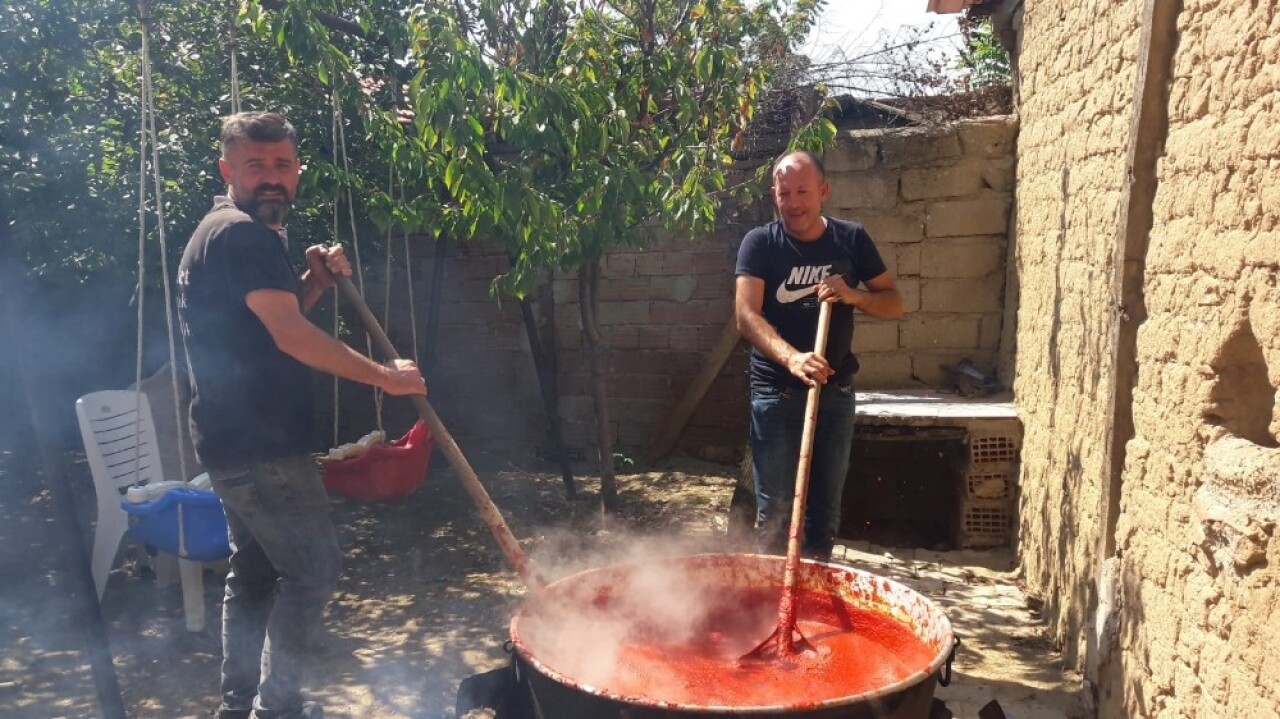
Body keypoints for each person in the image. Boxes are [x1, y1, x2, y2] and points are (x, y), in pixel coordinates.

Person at [177, 111, 427, 719]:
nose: (271, 177)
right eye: (255, 165)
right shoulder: (243, 235)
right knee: (313, 570)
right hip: (262, 446)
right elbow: (289, 337)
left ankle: (238, 706)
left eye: (282, 165)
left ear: (296, 172)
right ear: (227, 170)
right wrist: (386, 378)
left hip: (228, 440)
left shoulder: (216, 233)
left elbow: (264, 329)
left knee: (256, 574)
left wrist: (312, 283)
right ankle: (276, 708)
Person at [734, 150, 904, 560]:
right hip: (776, 396)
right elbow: (745, 316)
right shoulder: (760, 244)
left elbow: (894, 303)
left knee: (823, 512)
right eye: (784, 193)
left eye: (803, 192)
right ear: (774, 193)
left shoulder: (851, 239)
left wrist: (851, 294)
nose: (793, 203)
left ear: (823, 191)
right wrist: (792, 358)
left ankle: (809, 605)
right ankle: (772, 606)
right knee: (774, 512)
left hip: (835, 393)